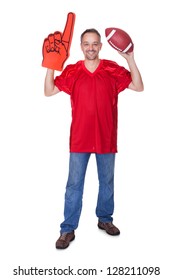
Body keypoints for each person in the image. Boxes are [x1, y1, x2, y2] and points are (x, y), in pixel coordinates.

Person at [44, 28, 144, 249]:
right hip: (79, 139)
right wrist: (51, 66)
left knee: (106, 183)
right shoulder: (72, 71)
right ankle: (67, 229)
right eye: (87, 44)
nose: (91, 47)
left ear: (100, 46)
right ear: (81, 47)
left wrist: (130, 58)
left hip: (106, 138)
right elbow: (49, 91)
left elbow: (138, 86)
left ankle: (105, 220)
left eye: (95, 44)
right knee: (74, 185)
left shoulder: (111, 69)